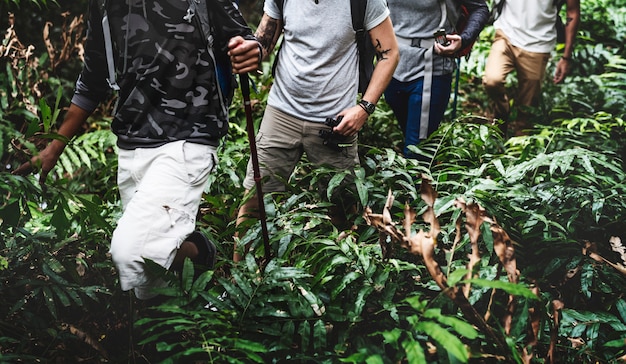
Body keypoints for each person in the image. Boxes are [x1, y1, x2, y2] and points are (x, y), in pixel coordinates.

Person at [13, 0, 262, 300]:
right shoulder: (104, 5)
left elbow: (245, 38)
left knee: (130, 254)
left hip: (189, 137)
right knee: (145, 285)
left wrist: (249, 50)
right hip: (131, 142)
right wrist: (54, 148)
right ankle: (193, 257)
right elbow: (93, 80)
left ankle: (199, 258)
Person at [233, 0, 400, 262]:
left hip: (335, 123)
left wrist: (364, 108)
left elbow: (389, 53)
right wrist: (248, 51)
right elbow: (264, 42)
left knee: (342, 210)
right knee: (255, 203)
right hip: (281, 112)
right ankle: (239, 284)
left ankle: (343, 285)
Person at [384, 0, 489, 159]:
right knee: (413, 135)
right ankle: (427, 173)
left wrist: (464, 39)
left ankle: (421, 176)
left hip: (430, 68)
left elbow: (480, 8)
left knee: (416, 150)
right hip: (392, 63)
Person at [482, 0, 581, 137]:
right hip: (506, 34)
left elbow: (573, 11)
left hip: (539, 43)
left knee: (527, 107)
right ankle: (502, 112)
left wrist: (566, 57)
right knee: (492, 81)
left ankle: (517, 149)